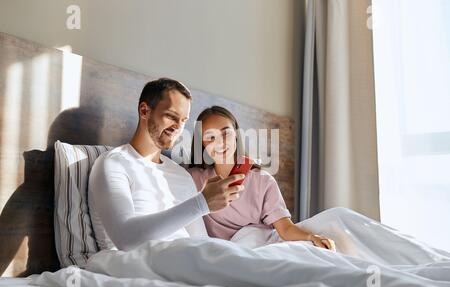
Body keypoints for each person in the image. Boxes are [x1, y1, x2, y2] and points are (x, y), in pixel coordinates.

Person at [88, 78, 245, 251]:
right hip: (145, 264)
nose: (178, 127)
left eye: (184, 120)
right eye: (171, 116)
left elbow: (202, 242)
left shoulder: (181, 175)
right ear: (144, 111)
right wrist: (202, 203)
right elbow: (126, 239)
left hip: (189, 261)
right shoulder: (114, 163)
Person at [188, 106, 336, 251]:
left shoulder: (263, 181)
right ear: (202, 143)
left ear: (236, 134)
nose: (220, 142)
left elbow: (285, 229)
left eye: (226, 133)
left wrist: (312, 237)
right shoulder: (192, 179)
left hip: (258, 247)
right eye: (210, 137)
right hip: (224, 254)